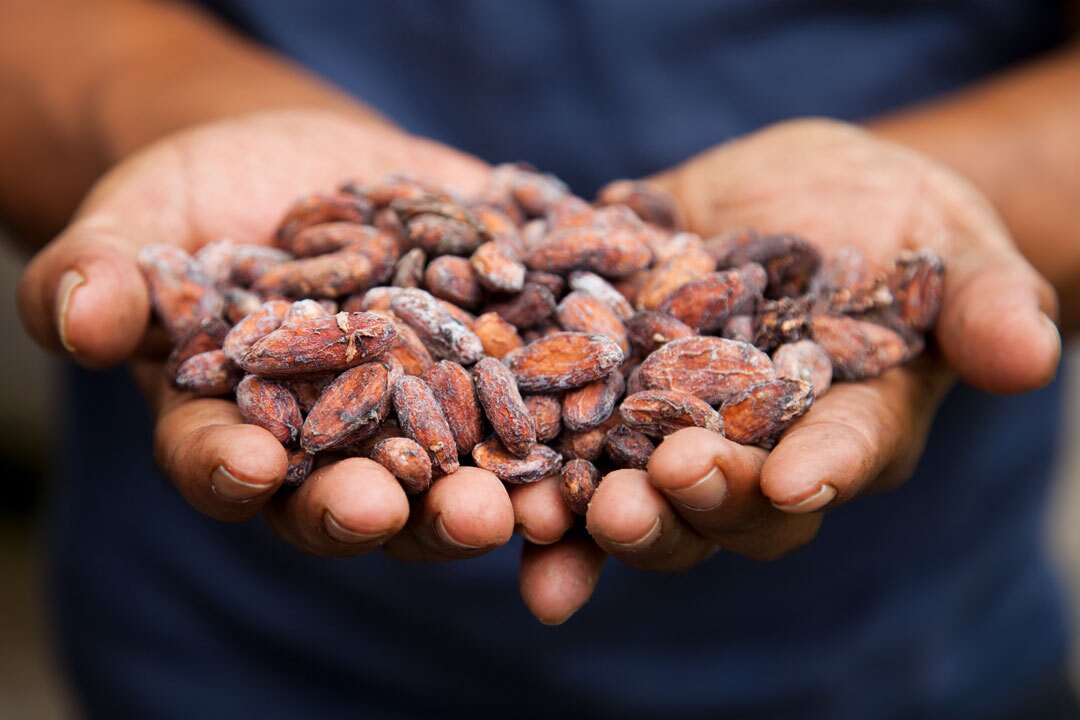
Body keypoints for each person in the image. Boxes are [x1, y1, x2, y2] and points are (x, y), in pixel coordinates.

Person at [4, 1, 1079, 718]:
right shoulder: (394, 313)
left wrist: (954, 200)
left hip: (894, 663)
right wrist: (155, 117)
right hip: (224, 655)